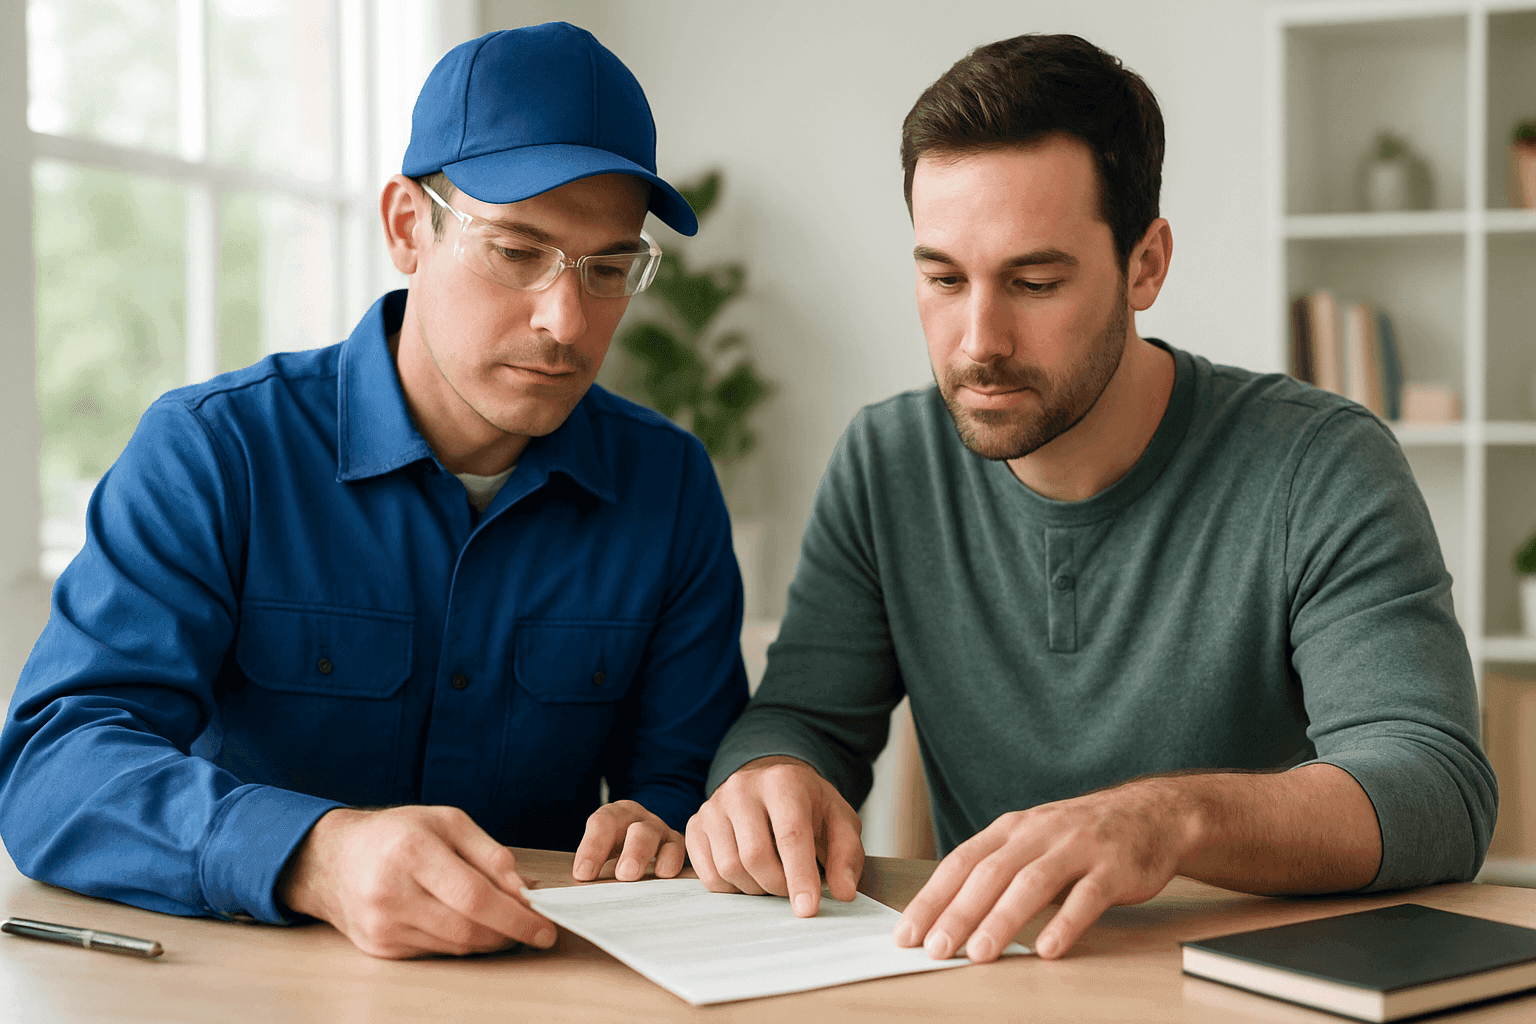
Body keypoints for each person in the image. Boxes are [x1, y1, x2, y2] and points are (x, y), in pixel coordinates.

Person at [686, 33, 1496, 963]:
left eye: (1034, 282)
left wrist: (1167, 817)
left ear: (1145, 265)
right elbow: (803, 720)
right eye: (943, 277)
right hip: (999, 980)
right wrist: (770, 775)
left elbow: (1438, 790)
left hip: (1264, 991)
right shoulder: (886, 460)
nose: (977, 340)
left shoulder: (1319, 463)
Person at [0, 23, 748, 960]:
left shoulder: (668, 485)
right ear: (407, 228)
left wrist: (668, 821)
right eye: (517, 250)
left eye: (607, 270)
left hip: (547, 985)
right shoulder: (216, 453)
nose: (566, 322)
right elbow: (54, 768)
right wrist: (315, 856)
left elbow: (692, 780)